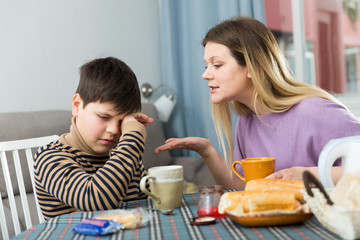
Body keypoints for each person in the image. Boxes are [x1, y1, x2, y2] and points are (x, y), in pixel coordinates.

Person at [155, 16, 360, 190]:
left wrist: (304, 175)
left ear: (252, 67)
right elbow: (243, 188)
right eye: (206, 65)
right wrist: (207, 150)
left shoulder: (315, 111)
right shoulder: (247, 121)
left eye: (217, 65)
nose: (205, 74)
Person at [34, 57, 153, 219]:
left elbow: (148, 205)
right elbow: (95, 200)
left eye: (122, 122)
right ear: (77, 106)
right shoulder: (49, 158)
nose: (113, 130)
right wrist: (133, 135)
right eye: (104, 116)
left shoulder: (124, 155)